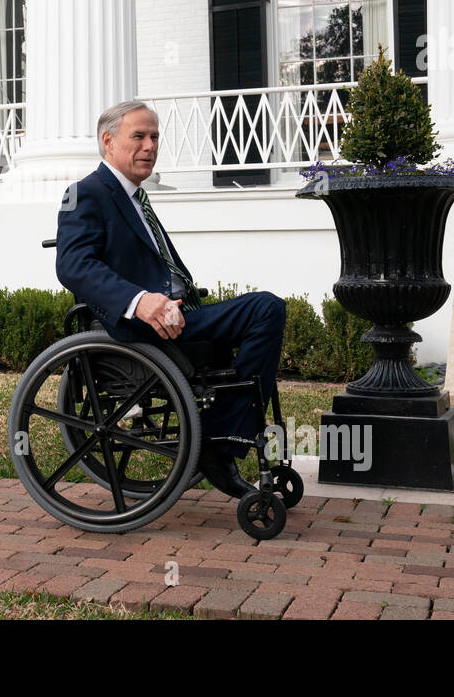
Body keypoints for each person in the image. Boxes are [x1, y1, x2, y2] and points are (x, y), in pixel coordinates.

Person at [55, 101, 286, 496]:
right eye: (139, 136)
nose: (150, 146)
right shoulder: (84, 193)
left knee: (264, 314)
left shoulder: (135, 197)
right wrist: (139, 300)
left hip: (180, 315)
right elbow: (73, 265)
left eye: (155, 137)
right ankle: (221, 445)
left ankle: (222, 440)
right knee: (266, 308)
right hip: (141, 325)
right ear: (108, 141)